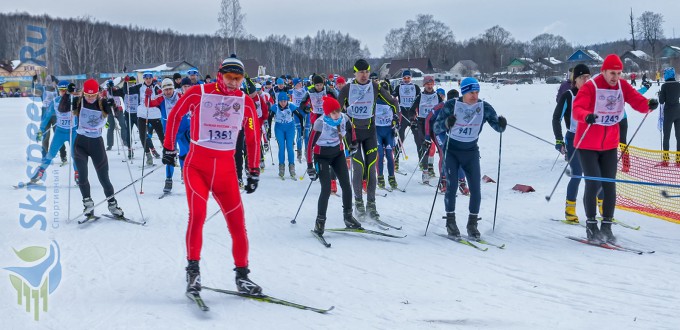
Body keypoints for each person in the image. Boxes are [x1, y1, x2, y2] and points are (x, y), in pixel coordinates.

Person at [162, 54, 263, 296]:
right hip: (197, 166)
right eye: (230, 78)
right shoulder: (199, 92)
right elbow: (175, 115)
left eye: (238, 79)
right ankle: (193, 272)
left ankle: (242, 276)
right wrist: (168, 147)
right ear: (220, 75)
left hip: (226, 171)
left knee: (238, 224)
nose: (234, 83)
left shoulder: (245, 101)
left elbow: (253, 135)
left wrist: (254, 169)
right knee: (197, 216)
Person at [572, 54, 657, 244]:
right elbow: (577, 108)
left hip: (610, 144)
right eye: (612, 73)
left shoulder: (622, 86)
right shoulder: (591, 86)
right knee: (593, 182)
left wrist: (647, 105)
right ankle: (591, 226)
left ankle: (607, 227)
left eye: (618, 73)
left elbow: (636, 100)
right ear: (603, 71)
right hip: (587, 144)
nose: (615, 77)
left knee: (609, 184)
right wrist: (586, 116)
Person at [433, 77, 507, 240]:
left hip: (471, 152)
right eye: (471, 93)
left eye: (477, 92)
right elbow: (436, 127)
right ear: (464, 92)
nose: (474, 96)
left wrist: (501, 124)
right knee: (451, 187)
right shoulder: (451, 106)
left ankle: (472, 224)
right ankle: (450, 222)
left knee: (475, 189)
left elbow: (497, 127)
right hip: (452, 151)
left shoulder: (484, 107)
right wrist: (447, 123)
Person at [337, 59, 398, 220]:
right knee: (358, 168)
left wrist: (396, 116)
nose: (364, 75)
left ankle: (371, 204)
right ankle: (358, 203)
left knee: (371, 168)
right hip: (352, 134)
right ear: (355, 73)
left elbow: (392, 102)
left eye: (366, 72)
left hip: (371, 132)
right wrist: (335, 126)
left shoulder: (375, 87)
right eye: (361, 72)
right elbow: (335, 110)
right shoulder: (347, 89)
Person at [65, 79, 125, 219]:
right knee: (82, 175)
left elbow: (116, 114)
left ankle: (112, 205)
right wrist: (68, 99)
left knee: (104, 178)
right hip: (80, 143)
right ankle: (88, 204)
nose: (90, 98)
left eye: (93, 95)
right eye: (87, 95)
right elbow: (63, 108)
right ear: (83, 93)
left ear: (98, 93)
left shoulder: (102, 102)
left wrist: (113, 106)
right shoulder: (79, 102)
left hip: (96, 144)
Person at [307, 96, 362, 235]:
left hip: (338, 154)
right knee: (326, 189)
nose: (337, 114)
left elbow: (351, 130)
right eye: (333, 112)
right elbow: (309, 145)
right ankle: (320, 222)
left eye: (338, 110)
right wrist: (310, 166)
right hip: (322, 157)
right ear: (327, 113)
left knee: (346, 185)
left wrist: (354, 143)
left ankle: (348, 217)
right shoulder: (320, 123)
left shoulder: (344, 118)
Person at [552, 64, 591, 223]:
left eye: (589, 77)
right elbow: (556, 118)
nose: (587, 80)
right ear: (575, 80)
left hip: (591, 139)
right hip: (573, 138)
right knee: (577, 174)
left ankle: (602, 210)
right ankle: (570, 211)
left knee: (596, 176)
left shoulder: (593, 94)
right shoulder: (568, 95)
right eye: (583, 77)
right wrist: (559, 140)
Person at [31, 81, 79, 183]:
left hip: (73, 132)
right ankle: (40, 172)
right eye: (60, 90)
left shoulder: (74, 101)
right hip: (60, 132)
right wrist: (41, 130)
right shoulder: (55, 101)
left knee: (75, 155)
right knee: (50, 154)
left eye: (65, 90)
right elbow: (47, 117)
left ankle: (78, 174)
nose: (62, 92)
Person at [147, 78, 185, 193]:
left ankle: (184, 172)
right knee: (169, 155)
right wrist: (147, 96)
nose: (168, 92)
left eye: (170, 89)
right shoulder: (161, 98)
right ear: (162, 90)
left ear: (173, 88)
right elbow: (149, 104)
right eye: (165, 90)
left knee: (184, 152)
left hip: (182, 129)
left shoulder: (180, 96)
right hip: (169, 131)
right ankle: (168, 179)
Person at [408, 75, 444, 184]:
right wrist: (412, 119)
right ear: (424, 85)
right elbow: (411, 110)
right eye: (427, 84)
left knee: (441, 148)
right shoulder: (420, 96)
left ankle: (443, 176)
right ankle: (425, 172)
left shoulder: (437, 96)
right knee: (425, 147)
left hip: (435, 124)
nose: (429, 86)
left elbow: (443, 109)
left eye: (431, 84)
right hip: (423, 123)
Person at [372, 74, 399, 190]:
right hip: (378, 131)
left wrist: (396, 123)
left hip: (388, 131)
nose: (384, 93)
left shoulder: (392, 101)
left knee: (389, 154)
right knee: (380, 154)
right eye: (382, 91)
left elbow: (398, 115)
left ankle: (392, 177)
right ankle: (380, 177)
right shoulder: (374, 101)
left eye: (386, 91)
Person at [270, 92, 304, 179]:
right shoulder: (275, 107)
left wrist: (302, 128)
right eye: (281, 101)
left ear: (287, 101)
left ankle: (292, 167)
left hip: (290, 128)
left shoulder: (291, 106)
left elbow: (300, 116)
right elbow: (269, 118)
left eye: (285, 101)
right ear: (278, 101)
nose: (283, 103)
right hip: (279, 128)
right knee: (281, 147)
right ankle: (281, 167)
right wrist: (268, 131)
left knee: (289, 147)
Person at [392, 69, 421, 171]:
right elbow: (392, 98)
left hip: (413, 115)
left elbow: (421, 99)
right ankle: (396, 160)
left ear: (411, 78)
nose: (406, 79)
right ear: (402, 78)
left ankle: (421, 161)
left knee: (418, 139)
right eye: (404, 78)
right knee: (400, 139)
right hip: (403, 115)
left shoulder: (415, 87)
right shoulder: (399, 87)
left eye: (408, 77)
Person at [659, 67, 680, 165]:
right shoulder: (678, 84)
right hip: (678, 111)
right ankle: (678, 160)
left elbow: (661, 101)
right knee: (679, 136)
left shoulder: (664, 86)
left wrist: (660, 94)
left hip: (668, 113)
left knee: (666, 136)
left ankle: (666, 160)